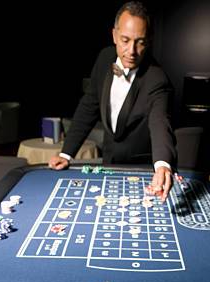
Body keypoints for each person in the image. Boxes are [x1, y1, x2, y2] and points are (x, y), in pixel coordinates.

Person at [49, 1, 176, 200]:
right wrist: (66, 154)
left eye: (140, 42)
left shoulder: (157, 78)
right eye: (125, 40)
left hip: (141, 170)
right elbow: (89, 105)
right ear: (114, 35)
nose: (132, 51)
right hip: (108, 162)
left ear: (149, 41)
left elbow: (160, 122)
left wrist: (162, 165)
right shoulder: (104, 58)